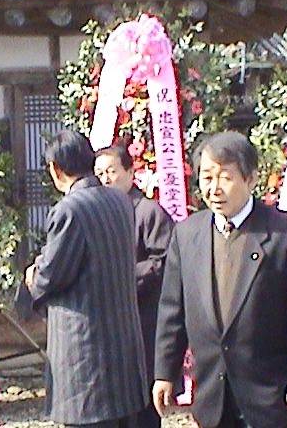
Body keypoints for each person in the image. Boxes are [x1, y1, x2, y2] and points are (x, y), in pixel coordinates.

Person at [152, 131, 287, 428]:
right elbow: (172, 313)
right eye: (207, 177)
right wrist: (165, 373)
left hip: (269, 393)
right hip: (211, 392)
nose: (214, 188)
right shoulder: (187, 234)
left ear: (251, 179)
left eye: (225, 177)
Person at [25, 130, 147, 428]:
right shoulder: (120, 200)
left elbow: (52, 275)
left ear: (55, 169)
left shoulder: (69, 210)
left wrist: (34, 277)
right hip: (123, 347)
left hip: (85, 355)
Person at [94, 144, 173, 428]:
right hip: (109, 327)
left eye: (111, 171)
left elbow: (165, 262)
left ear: (130, 172)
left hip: (143, 322)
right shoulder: (98, 215)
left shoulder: (149, 212)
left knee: (142, 409)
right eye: (99, 174)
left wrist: (122, 278)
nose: (105, 179)